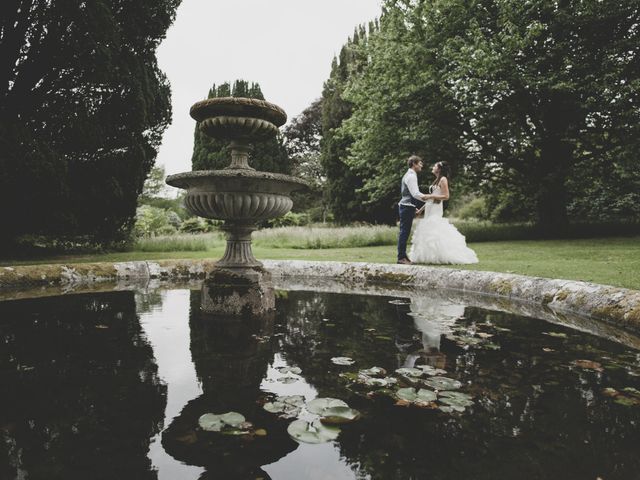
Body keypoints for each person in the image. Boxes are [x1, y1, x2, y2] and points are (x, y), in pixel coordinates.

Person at [409, 161, 478, 264]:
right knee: (428, 231)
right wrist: (420, 210)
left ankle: (441, 255)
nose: (433, 167)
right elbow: (430, 199)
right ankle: (428, 256)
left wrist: (430, 196)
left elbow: (446, 196)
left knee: (435, 230)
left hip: (436, 209)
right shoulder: (436, 180)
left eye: (435, 166)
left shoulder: (443, 179)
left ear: (439, 169)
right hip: (429, 208)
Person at [397, 155, 429, 265]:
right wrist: (429, 197)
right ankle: (401, 258)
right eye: (420, 163)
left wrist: (413, 206)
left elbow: (410, 194)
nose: (421, 165)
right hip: (406, 207)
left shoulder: (411, 174)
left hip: (408, 206)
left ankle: (403, 256)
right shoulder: (411, 176)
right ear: (414, 164)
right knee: (404, 232)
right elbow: (415, 194)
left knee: (405, 232)